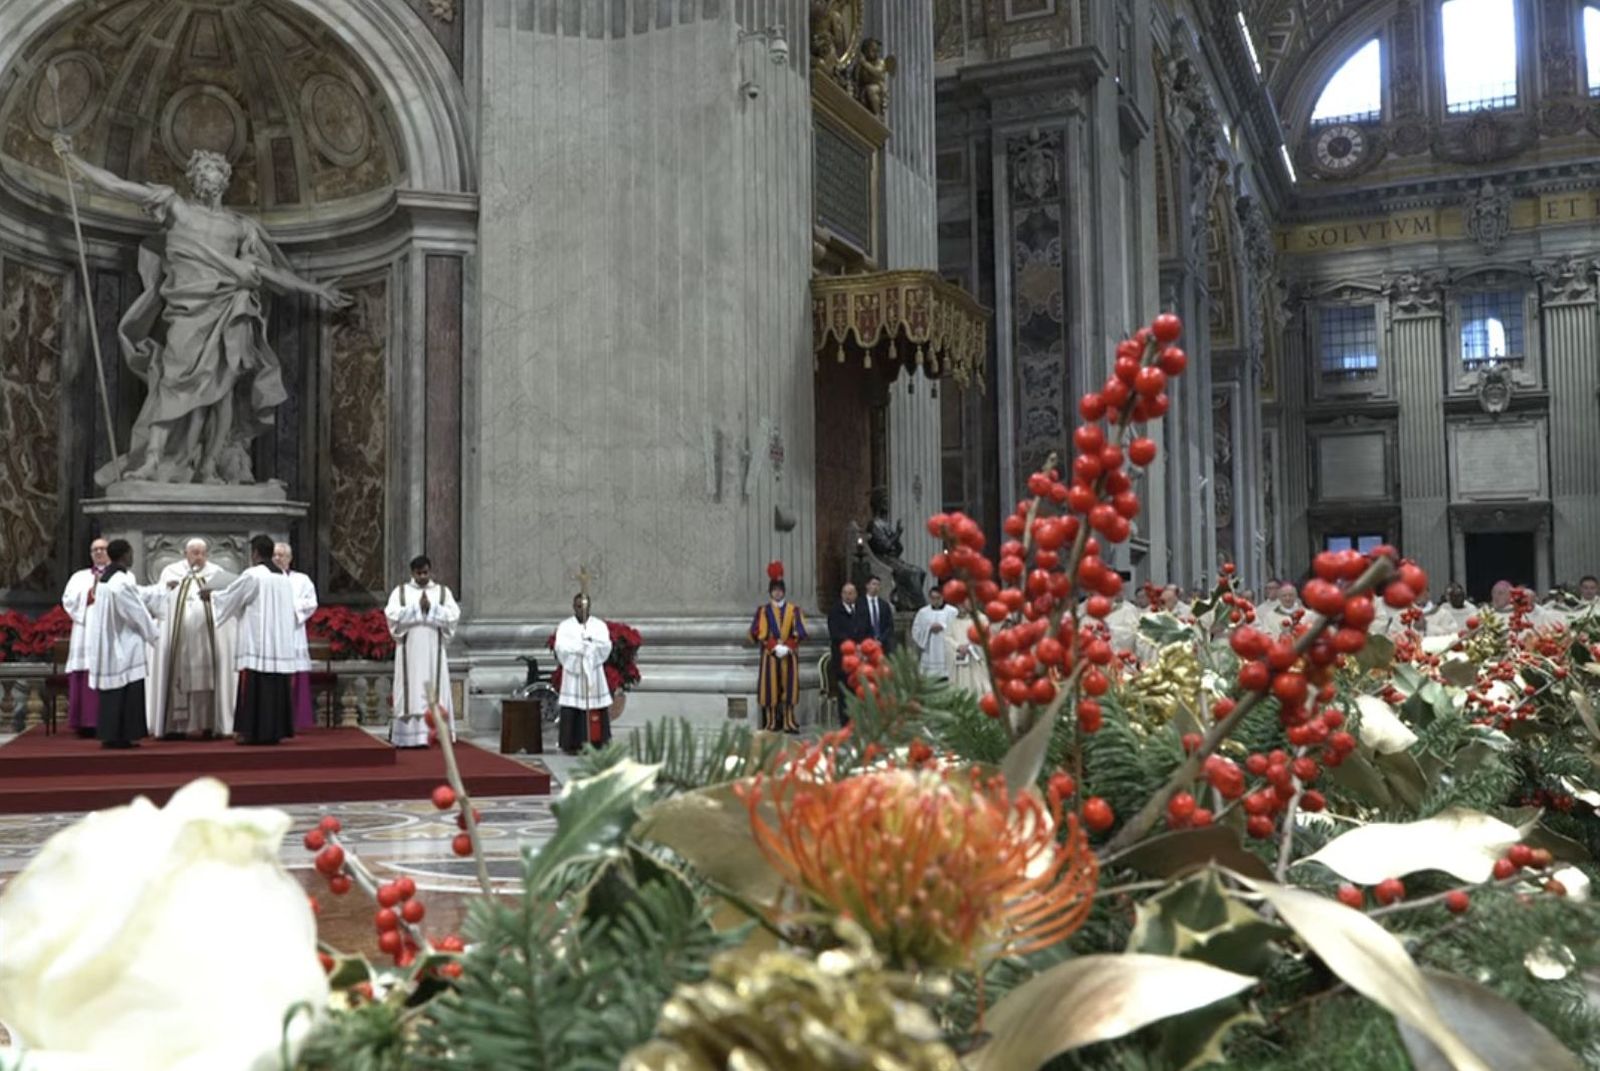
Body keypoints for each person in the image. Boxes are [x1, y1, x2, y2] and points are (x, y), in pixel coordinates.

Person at [52, 137, 349, 486]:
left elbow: (266, 273)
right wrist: (73, 160)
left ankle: (208, 466)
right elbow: (119, 187)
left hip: (228, 312)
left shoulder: (241, 227)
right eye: (203, 170)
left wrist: (317, 290)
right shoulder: (177, 208)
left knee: (222, 394)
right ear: (193, 178)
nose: (208, 176)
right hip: (187, 310)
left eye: (214, 170)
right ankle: (152, 459)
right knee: (172, 380)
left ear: (225, 178)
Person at [205, 535, 299, 745]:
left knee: (256, 686)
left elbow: (232, 597)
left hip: (258, 642)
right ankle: (274, 731)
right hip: (278, 643)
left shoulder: (253, 575)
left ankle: (253, 732)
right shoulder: (283, 577)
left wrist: (211, 596)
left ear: (255, 553)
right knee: (275, 686)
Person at [146, 538, 237, 740]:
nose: (199, 557)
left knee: (207, 682)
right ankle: (175, 727)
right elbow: (159, 599)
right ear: (185, 553)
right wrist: (168, 589)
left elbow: (228, 601)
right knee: (177, 679)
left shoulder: (216, 573)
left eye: (202, 553)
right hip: (179, 639)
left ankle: (209, 724)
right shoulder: (171, 572)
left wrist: (214, 595)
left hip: (206, 640)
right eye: (195, 552)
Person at [87, 540, 162, 749]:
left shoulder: (106, 579)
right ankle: (125, 734)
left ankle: (110, 734)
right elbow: (136, 612)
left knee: (113, 692)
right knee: (127, 689)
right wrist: (153, 634)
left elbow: (138, 595)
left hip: (109, 641)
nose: (132, 557)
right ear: (125, 555)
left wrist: (161, 590)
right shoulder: (120, 582)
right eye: (131, 553)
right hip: (124, 643)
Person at [384, 555, 460, 748]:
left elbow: (453, 616)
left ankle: (436, 734)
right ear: (412, 573)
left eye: (425, 573)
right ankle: (408, 737)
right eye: (419, 573)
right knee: (411, 692)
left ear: (430, 571)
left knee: (434, 689)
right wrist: (417, 609)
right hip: (409, 651)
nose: (423, 577)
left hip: (434, 650)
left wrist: (432, 608)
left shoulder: (442, 592)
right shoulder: (400, 592)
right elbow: (392, 616)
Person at [61, 538, 110, 737]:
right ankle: (84, 722)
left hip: (108, 632)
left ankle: (107, 722)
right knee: (84, 671)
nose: (98, 552)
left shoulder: (120, 575)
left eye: (102, 549)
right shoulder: (79, 577)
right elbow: (68, 600)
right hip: (84, 632)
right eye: (94, 549)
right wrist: (88, 595)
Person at [750, 565, 807, 733]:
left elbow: (801, 631)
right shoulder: (763, 610)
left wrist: (788, 646)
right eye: (774, 590)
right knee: (770, 689)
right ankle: (771, 721)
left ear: (784, 591)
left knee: (789, 688)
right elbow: (757, 632)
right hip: (770, 655)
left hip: (789, 654)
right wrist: (774, 646)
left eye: (780, 590)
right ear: (770, 592)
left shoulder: (794, 610)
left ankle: (789, 721)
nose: (777, 593)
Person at [554, 593, 613, 753]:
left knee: (595, 706)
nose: (582, 610)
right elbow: (561, 647)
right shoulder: (565, 626)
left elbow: (605, 645)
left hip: (593, 673)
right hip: (574, 674)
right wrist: (579, 648)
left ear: (590, 607)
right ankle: (572, 744)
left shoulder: (599, 626)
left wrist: (590, 647)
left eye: (585, 606)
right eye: (579, 606)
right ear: (574, 607)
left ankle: (598, 742)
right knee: (573, 707)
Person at [274, 543, 319, 731]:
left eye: (282, 555)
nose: (278, 559)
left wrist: (291, 607)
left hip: (294, 632)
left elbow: (311, 603)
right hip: (272, 635)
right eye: (275, 555)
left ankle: (298, 720)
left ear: (290, 559)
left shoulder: (302, 580)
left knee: (296, 678)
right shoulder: (265, 579)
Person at [826, 582, 867, 703]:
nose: (848, 596)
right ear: (841, 595)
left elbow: (867, 629)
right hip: (842, 659)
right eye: (845, 593)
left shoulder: (861, 610)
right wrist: (853, 646)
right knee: (844, 695)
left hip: (859, 658)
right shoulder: (835, 611)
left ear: (856, 595)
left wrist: (863, 646)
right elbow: (836, 634)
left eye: (851, 593)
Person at [910, 585, 958, 679]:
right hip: (930, 651)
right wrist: (928, 628)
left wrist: (943, 626)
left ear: (943, 597)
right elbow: (915, 630)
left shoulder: (952, 611)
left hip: (946, 651)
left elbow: (957, 628)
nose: (935, 601)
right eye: (933, 598)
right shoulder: (923, 612)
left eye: (938, 598)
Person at [944, 605, 990, 698]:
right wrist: (958, 647)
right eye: (959, 603)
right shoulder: (953, 621)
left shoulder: (981, 619)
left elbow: (987, 637)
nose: (962, 605)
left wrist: (971, 647)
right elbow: (947, 638)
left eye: (965, 602)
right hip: (960, 664)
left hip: (975, 662)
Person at [863, 576, 896, 654]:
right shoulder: (860, 604)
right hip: (866, 643)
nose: (875, 587)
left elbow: (889, 625)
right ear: (867, 586)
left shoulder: (884, 605)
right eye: (873, 584)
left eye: (878, 585)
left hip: (883, 644)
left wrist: (880, 640)